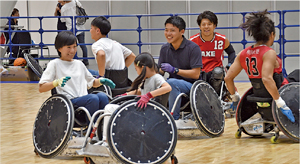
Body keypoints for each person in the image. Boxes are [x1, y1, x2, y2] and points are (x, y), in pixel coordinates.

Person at [224, 10, 295, 123]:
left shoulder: (243, 53)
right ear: (272, 35)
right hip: (279, 91)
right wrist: (280, 103)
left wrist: (235, 98)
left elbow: (228, 78)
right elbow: (266, 79)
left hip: (258, 94)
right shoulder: (269, 53)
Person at [38, 31, 116, 123]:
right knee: (93, 98)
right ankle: (92, 129)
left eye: (75, 47)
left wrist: (101, 81)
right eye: (69, 47)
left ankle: (104, 127)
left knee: (102, 96)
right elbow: (41, 88)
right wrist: (56, 83)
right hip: (69, 102)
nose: (72, 50)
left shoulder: (79, 64)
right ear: (59, 48)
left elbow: (92, 83)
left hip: (84, 99)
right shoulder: (54, 64)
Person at [100, 52, 172, 145]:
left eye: (136, 69)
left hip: (146, 113)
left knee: (109, 108)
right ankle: (110, 139)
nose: (137, 72)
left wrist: (148, 96)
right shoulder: (147, 79)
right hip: (141, 111)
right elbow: (139, 91)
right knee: (112, 107)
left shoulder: (156, 77)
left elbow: (167, 88)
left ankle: (106, 141)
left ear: (142, 68)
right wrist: (124, 95)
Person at [158, 16, 203, 120]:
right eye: (166, 30)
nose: (168, 34)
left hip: (193, 86)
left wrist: (175, 70)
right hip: (172, 83)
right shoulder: (164, 48)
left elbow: (196, 74)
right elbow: (160, 73)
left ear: (182, 31)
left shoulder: (193, 48)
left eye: (172, 30)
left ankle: (173, 119)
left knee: (172, 82)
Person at [190, 10, 236, 95]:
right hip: (200, 72)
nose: (206, 27)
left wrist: (230, 65)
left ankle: (218, 96)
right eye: (203, 24)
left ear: (214, 26)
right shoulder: (192, 41)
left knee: (218, 72)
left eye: (209, 24)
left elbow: (232, 52)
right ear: (199, 26)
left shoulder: (222, 40)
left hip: (216, 72)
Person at [89, 16, 135, 87]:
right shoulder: (116, 43)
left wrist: (101, 76)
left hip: (108, 79)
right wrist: (120, 71)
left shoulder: (97, 44)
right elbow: (132, 56)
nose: (90, 31)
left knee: (86, 72)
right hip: (122, 81)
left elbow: (101, 54)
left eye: (91, 28)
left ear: (97, 30)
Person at [60, 0, 89, 66]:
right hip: (80, 27)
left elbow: (62, 20)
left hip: (70, 29)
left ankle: (74, 60)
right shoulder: (76, 2)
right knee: (83, 45)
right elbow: (82, 11)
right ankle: (86, 60)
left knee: (72, 46)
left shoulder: (63, 8)